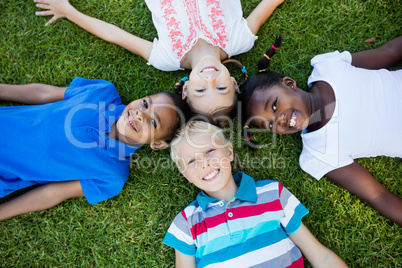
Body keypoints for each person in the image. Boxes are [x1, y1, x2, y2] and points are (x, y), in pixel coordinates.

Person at [241, 36, 402, 226]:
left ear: (290, 84)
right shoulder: (317, 153)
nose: (279, 120)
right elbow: (378, 195)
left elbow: (389, 53)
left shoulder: (327, 68)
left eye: (275, 106)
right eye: (269, 125)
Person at [33, 0, 285, 119]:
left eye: (200, 88)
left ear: (185, 89)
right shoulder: (240, 40)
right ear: (234, 83)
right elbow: (269, 4)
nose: (209, 78)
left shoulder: (167, 58)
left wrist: (69, 12)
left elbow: (114, 35)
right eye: (220, 87)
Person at [0, 77, 190, 220]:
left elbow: (52, 193)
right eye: (146, 103)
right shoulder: (103, 93)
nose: (141, 114)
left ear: (157, 144)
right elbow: (45, 94)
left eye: (154, 122)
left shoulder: (112, 175)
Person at [165, 121, 348, 267]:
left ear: (229, 152)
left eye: (210, 150)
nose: (204, 163)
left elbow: (320, 257)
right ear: (186, 175)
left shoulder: (272, 194)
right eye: (191, 161)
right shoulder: (186, 223)